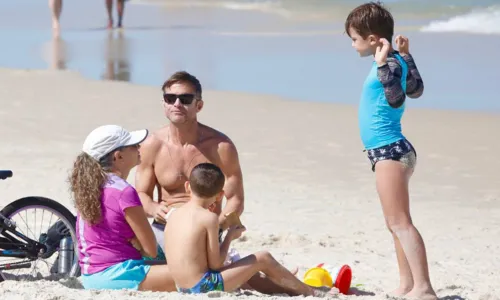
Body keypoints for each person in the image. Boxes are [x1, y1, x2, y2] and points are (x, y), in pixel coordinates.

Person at [135, 71, 295, 294]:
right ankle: (298, 286)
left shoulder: (220, 146)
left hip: (208, 228)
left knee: (237, 276)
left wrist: (218, 224)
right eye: (170, 98)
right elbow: (140, 193)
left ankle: (298, 287)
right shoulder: (153, 144)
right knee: (232, 276)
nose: (177, 104)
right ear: (163, 103)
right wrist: (153, 207)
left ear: (199, 105)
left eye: (185, 99)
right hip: (166, 229)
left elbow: (235, 197)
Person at [344, 2, 437, 300]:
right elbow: (417, 88)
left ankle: (423, 288)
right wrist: (407, 54)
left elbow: (399, 99)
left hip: (391, 151)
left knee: (400, 223)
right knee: (394, 223)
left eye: (355, 39)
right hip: (388, 152)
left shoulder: (389, 64)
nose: (353, 46)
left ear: (373, 39)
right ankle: (407, 284)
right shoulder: (397, 59)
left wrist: (385, 65)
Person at [164, 163, 333, 297]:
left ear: (187, 186)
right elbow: (216, 264)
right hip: (202, 286)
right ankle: (311, 292)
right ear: (220, 195)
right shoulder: (209, 218)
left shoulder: (174, 215)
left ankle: (290, 285)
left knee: (248, 271)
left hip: (181, 287)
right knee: (262, 257)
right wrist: (230, 235)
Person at [70, 124, 174, 291]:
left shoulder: (89, 187)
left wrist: (138, 244)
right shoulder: (124, 192)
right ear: (118, 156)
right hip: (121, 275)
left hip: (91, 276)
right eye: (133, 146)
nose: (139, 147)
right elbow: (151, 250)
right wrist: (139, 245)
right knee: (195, 273)